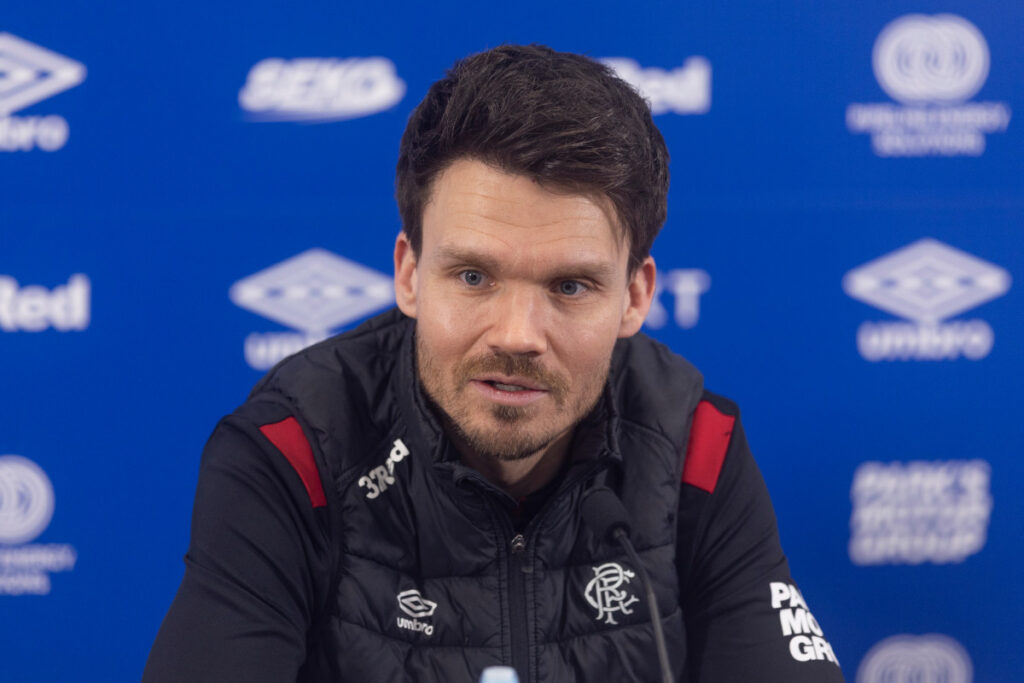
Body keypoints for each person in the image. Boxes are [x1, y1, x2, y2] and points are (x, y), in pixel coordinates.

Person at [144, 44, 844, 682]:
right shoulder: (292, 453)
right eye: (474, 276)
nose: (517, 335)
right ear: (410, 274)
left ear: (635, 296)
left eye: (569, 286)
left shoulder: (695, 446)